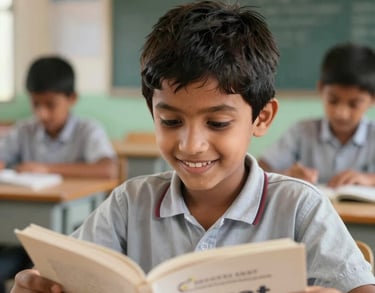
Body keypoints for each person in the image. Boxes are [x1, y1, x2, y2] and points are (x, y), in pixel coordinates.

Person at [10, 2, 375, 293]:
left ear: (262, 118)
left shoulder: (300, 208)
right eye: (170, 121)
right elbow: (63, 272)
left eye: (217, 123)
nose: (191, 144)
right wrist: (36, 283)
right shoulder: (128, 204)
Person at [0, 56, 118, 293]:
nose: (42, 113)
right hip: (19, 236)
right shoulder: (24, 129)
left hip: (67, 237)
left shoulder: (88, 130)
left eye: (50, 104)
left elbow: (109, 169)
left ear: (71, 98)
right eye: (36, 104)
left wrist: (47, 168)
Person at [258, 43, 375, 188]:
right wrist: (286, 175)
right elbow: (261, 168)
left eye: (354, 104)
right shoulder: (301, 131)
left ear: (373, 99)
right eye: (333, 100)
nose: (342, 113)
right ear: (320, 89)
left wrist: (369, 179)